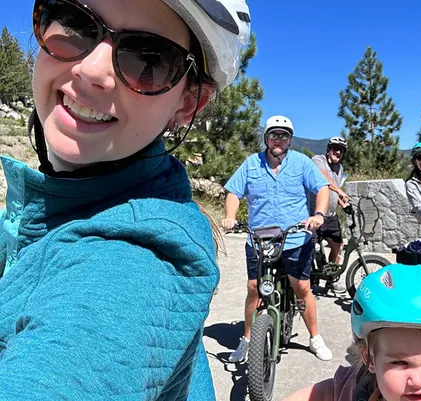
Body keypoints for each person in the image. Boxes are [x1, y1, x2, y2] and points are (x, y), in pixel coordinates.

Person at [0, 0, 252, 398]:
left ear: (188, 103)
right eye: (74, 23)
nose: (90, 70)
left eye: (147, 58)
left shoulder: (133, 261)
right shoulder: (52, 207)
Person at [222, 115, 335, 361]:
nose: (278, 140)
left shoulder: (302, 163)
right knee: (254, 288)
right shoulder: (252, 164)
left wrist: (318, 215)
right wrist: (230, 216)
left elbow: (322, 188)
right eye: (274, 134)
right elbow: (233, 192)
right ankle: (248, 339)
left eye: (284, 135)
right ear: (266, 137)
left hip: (295, 238)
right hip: (260, 240)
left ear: (290, 140)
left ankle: (315, 338)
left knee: (302, 288)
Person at [282, 264, 421, 401]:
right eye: (400, 363)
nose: (416, 381)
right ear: (369, 358)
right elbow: (323, 393)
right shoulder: (356, 387)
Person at [308, 136, 350, 270]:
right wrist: (340, 191)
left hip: (331, 216)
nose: (338, 153)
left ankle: (331, 278)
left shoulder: (340, 168)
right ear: (328, 149)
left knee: (338, 246)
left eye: (341, 151)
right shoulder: (318, 160)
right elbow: (322, 178)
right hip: (315, 214)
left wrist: (343, 204)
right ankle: (308, 280)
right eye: (335, 149)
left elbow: (334, 191)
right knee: (310, 249)